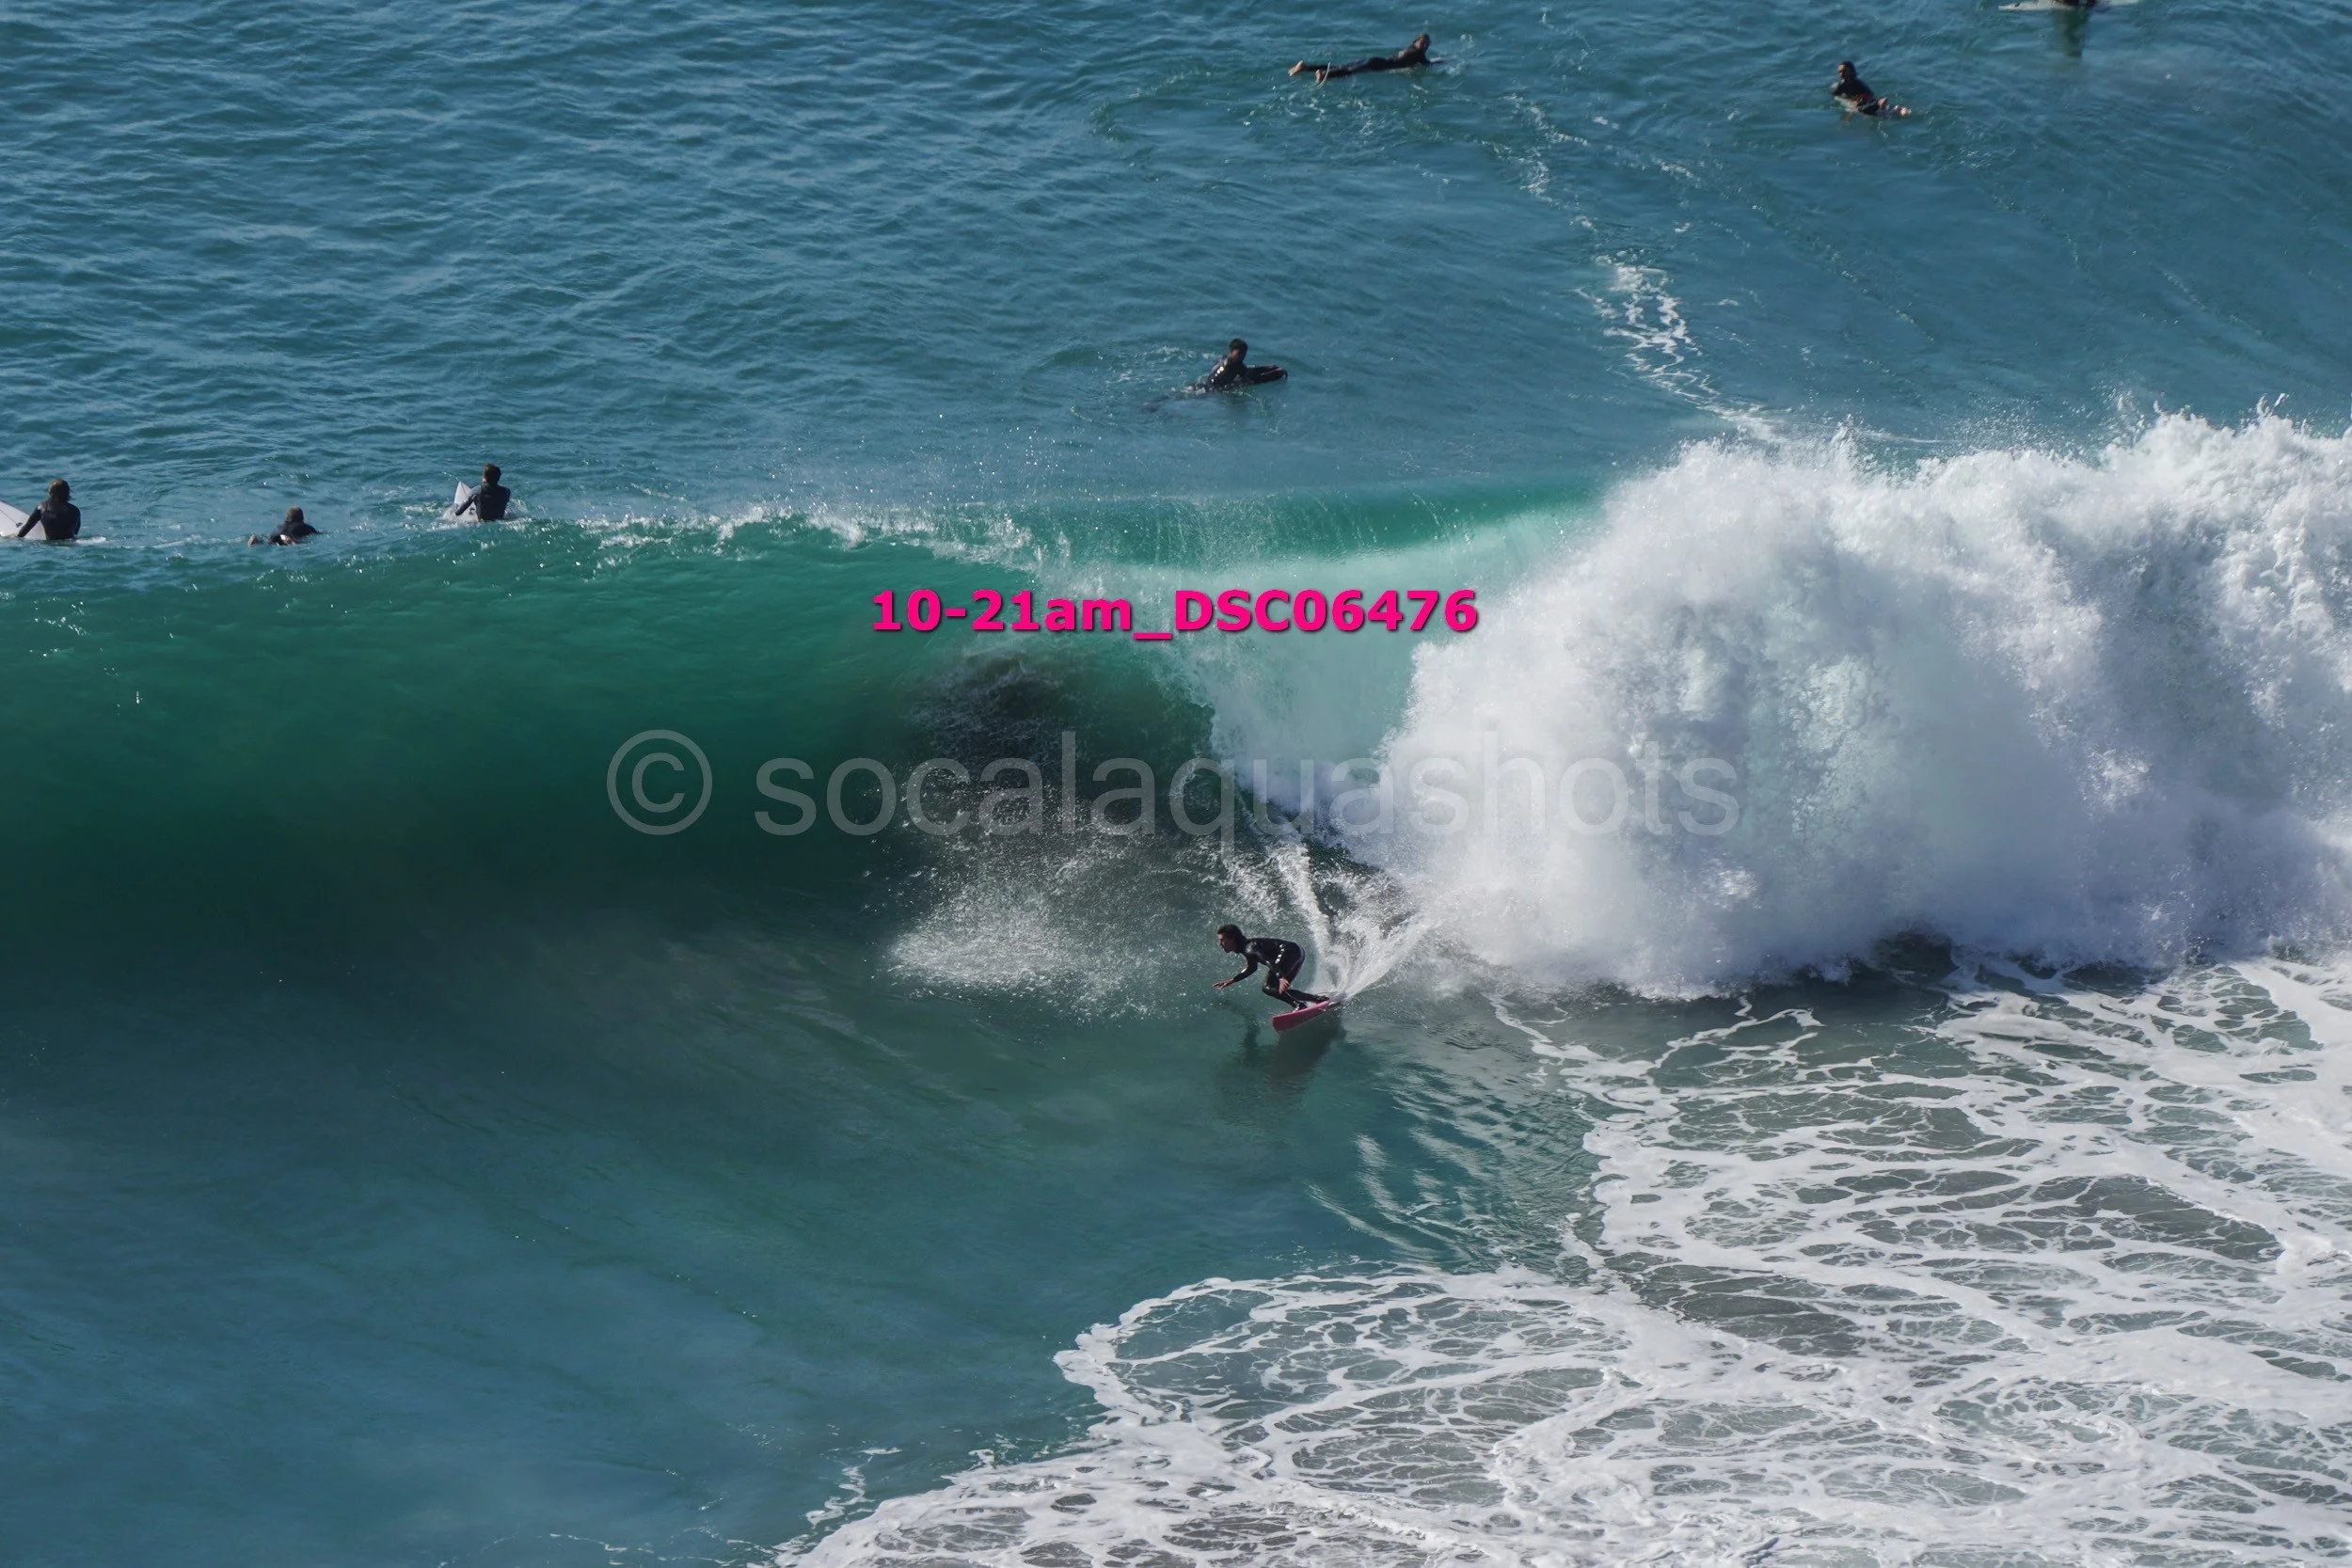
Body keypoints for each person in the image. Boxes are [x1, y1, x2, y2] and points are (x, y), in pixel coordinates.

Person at [1215, 925, 1328, 1011]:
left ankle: (1299, 1005)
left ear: (1233, 939)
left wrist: (1280, 977)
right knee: (1277, 990)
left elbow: (1267, 961)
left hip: (1289, 952)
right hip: (1297, 951)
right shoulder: (1247, 947)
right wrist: (1232, 980)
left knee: (1268, 987)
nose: (1220, 944)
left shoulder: (1249, 948)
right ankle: (1318, 999)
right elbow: (1252, 968)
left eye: (1222, 940)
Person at [1292, 33, 1436, 84]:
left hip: (1376, 60)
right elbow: (1426, 65)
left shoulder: (1408, 49)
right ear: (1417, 42)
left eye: (1426, 44)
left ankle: (1306, 67)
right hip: (1377, 65)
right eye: (1423, 43)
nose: (1425, 46)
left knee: (1342, 66)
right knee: (1349, 71)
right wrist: (1442, 62)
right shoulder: (1418, 54)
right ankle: (1325, 75)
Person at [1197, 339, 1288, 391]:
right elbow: (1253, 378)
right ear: (1232, 351)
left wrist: (1270, 367)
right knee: (1246, 382)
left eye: (1244, 354)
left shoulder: (1224, 358)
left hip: (1206, 384)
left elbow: (1248, 371)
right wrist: (1276, 373)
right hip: (1216, 389)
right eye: (1239, 354)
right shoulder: (1236, 365)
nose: (1242, 357)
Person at [1833, 61, 1910, 119]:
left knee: (1865, 110)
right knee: (1886, 110)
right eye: (1839, 72)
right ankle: (1897, 108)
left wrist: (1850, 112)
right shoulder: (1843, 84)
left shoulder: (1856, 83)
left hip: (1867, 100)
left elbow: (1864, 96)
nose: (1841, 74)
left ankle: (1881, 103)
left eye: (1844, 71)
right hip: (1868, 100)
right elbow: (1836, 94)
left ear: (1851, 72)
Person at [13, 479, 81, 542]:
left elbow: (27, 528)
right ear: (68, 493)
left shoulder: (42, 508)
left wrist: (16, 537)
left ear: (51, 492)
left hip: (50, 545)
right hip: (70, 545)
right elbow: (75, 533)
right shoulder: (75, 511)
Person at [248, 506, 319, 546]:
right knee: (297, 544)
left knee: (269, 543)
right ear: (302, 517)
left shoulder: (279, 527)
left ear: (287, 517)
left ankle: (256, 540)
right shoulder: (305, 527)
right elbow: (317, 534)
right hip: (290, 539)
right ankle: (289, 541)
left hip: (276, 536)